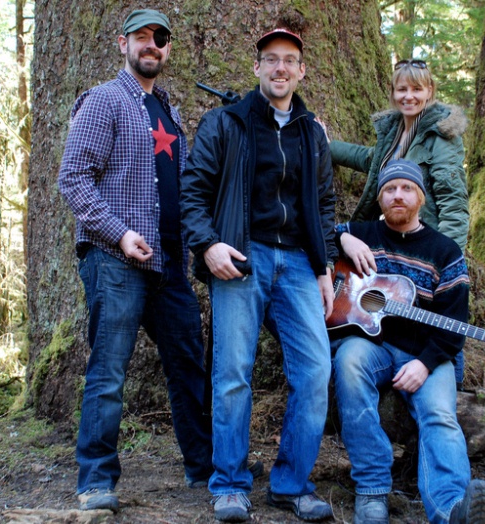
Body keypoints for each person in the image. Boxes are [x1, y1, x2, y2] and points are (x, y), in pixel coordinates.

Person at [58, 9, 213, 512]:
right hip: (115, 260)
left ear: (168, 48)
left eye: (160, 38)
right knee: (108, 370)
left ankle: (204, 467)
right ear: (122, 43)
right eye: (142, 37)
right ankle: (96, 480)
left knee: (190, 366)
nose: (152, 46)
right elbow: (73, 179)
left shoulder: (168, 111)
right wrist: (121, 235)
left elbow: (188, 187)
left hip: (169, 265)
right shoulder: (104, 101)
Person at [180, 28, 337, 523]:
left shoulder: (312, 132)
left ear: (302, 71)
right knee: (232, 376)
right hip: (243, 258)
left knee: (315, 372)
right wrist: (207, 245)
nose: (280, 69)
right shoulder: (226, 123)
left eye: (290, 61)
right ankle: (228, 484)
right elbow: (193, 192)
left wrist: (326, 265)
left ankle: (291, 484)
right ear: (257, 68)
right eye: (271, 60)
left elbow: (325, 205)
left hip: (298, 266)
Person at [330, 160, 485, 524]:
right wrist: (342, 237)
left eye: (406, 189)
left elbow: (455, 324)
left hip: (429, 353)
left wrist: (424, 363)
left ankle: (453, 508)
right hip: (372, 345)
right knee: (348, 363)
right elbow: (315, 233)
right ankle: (372, 490)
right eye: (390, 190)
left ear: (420, 198)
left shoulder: (445, 251)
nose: (397, 196)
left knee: (439, 414)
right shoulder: (363, 233)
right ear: (380, 198)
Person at [329, 59, 470, 389]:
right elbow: (370, 161)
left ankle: (443, 370)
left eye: (417, 89)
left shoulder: (441, 137)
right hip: (391, 243)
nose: (409, 96)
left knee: (436, 321)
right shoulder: (394, 131)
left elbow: (453, 201)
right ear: (393, 93)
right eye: (402, 89)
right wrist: (326, 145)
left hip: (425, 240)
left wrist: (444, 262)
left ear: (430, 91)